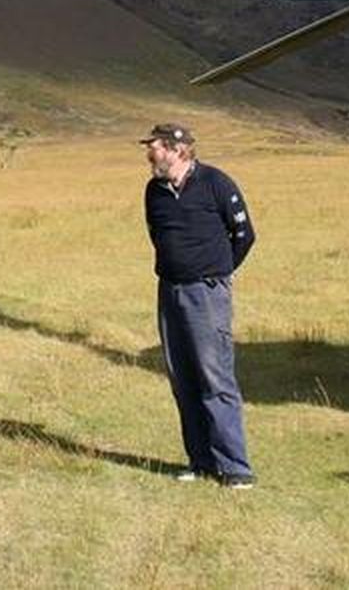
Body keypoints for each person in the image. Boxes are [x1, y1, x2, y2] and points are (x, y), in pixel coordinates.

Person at [140, 122, 257, 489]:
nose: (149, 153)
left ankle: (235, 466)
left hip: (206, 292)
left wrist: (216, 273)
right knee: (182, 377)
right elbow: (156, 235)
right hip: (169, 290)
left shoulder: (215, 183)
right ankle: (201, 460)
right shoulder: (154, 191)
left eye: (155, 147)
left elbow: (244, 235)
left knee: (214, 375)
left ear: (177, 150)